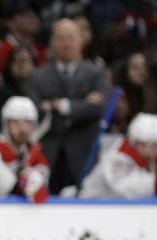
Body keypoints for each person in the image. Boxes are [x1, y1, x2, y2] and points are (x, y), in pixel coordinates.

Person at [29, 18, 107, 194]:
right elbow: (35, 110)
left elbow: (99, 108)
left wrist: (60, 105)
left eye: (71, 37)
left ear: (81, 40)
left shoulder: (95, 73)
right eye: (61, 38)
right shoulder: (38, 75)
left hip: (83, 155)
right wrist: (83, 104)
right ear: (52, 42)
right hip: (48, 156)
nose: (66, 43)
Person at [80, 112, 157, 199]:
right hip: (90, 207)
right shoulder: (117, 157)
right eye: (144, 144)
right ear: (135, 142)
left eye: (155, 145)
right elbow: (129, 189)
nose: (152, 150)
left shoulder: (149, 158)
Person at [0, 96, 49, 203]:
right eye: (16, 123)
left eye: (28, 123)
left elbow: (43, 185)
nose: (23, 129)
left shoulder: (35, 152)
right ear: (6, 124)